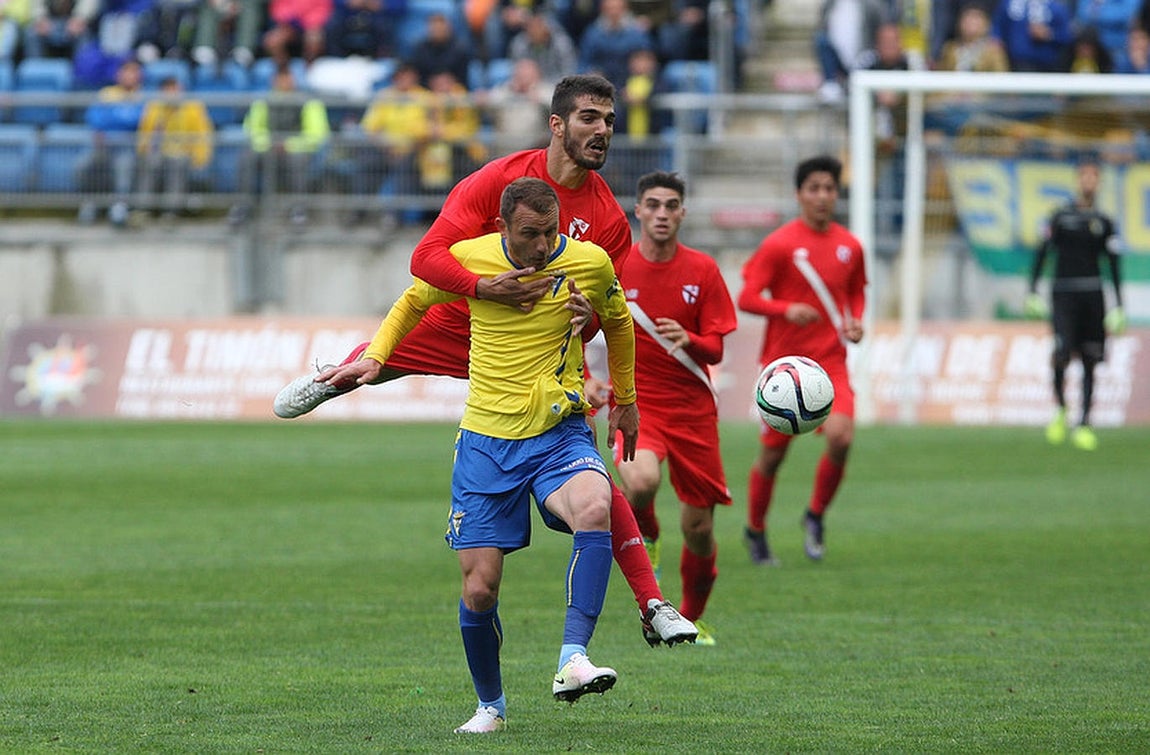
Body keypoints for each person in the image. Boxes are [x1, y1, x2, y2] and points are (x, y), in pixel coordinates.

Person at [273, 74, 697, 649]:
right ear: (556, 125)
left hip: (534, 355)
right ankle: (333, 378)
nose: (602, 130)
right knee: (372, 365)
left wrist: (587, 321)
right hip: (457, 322)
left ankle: (652, 602)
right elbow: (425, 259)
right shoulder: (499, 181)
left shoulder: (609, 222)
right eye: (589, 118)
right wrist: (481, 288)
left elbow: (606, 314)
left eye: (609, 120)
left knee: (591, 479)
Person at [328, 177, 634, 734]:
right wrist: (376, 356)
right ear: (501, 228)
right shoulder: (472, 259)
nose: (541, 246)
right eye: (529, 234)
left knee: (595, 507)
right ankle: (490, 706)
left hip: (558, 431)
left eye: (550, 232)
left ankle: (573, 657)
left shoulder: (589, 262)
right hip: (486, 443)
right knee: (479, 588)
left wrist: (626, 401)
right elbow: (414, 298)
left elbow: (618, 320)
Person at [611, 171, 736, 647]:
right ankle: (648, 536)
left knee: (699, 529)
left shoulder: (702, 270)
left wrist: (692, 340)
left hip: (693, 412)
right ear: (638, 210)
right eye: (653, 205)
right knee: (641, 481)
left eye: (670, 206)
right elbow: (588, 326)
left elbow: (716, 349)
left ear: (682, 212)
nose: (661, 214)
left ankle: (692, 618)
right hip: (637, 405)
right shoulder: (617, 266)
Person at [737, 155, 867, 564]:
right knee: (772, 457)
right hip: (784, 369)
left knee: (842, 437)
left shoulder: (850, 246)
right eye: (814, 188)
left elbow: (857, 291)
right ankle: (755, 530)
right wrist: (785, 309)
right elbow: (747, 298)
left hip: (830, 363)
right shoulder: (779, 244)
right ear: (799, 194)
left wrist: (855, 321)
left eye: (829, 188)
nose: (822, 196)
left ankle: (815, 515)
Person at [1025, 158, 1125, 451]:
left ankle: (1084, 423)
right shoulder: (1059, 217)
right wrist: (1032, 290)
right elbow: (1042, 252)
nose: (1089, 182)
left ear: (1099, 182)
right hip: (1064, 294)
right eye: (1085, 176)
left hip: (1093, 294)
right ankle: (1060, 408)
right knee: (1061, 352)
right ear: (1077, 180)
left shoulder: (1104, 222)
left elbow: (1114, 264)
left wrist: (1119, 304)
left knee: (1091, 359)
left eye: (1094, 177)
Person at [235, 64, 331, 226]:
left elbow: (316, 134)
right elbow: (251, 129)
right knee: (247, 157)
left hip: (297, 150)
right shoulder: (263, 102)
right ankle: (242, 206)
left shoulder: (308, 102)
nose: (284, 82)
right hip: (268, 149)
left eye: (287, 77)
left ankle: (298, 209)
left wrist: (289, 144)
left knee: (297, 160)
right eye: (280, 78)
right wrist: (270, 143)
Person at [135, 75, 214, 217]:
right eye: (168, 90)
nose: (172, 93)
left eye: (175, 89)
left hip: (184, 152)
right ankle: (143, 208)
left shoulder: (193, 107)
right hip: (159, 150)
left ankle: (171, 211)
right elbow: (144, 132)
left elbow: (203, 134)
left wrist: (200, 157)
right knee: (151, 162)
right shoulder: (154, 107)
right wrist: (143, 149)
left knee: (177, 163)